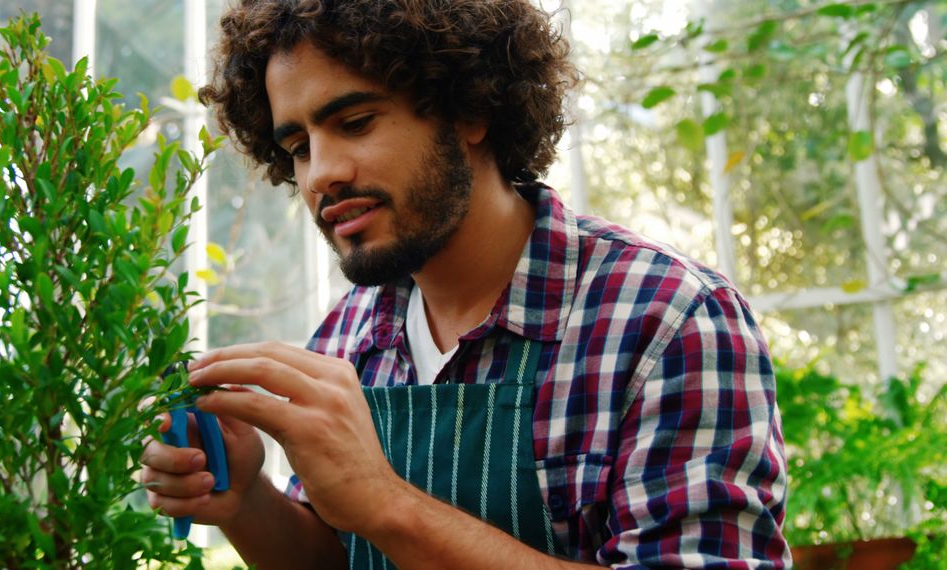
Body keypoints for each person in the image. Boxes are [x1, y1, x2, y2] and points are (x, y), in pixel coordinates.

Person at [140, 0, 791, 567]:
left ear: (469, 109)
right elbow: (341, 560)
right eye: (299, 146)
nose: (320, 174)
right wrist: (248, 499)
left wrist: (388, 504)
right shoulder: (346, 338)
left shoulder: (668, 322)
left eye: (356, 122)